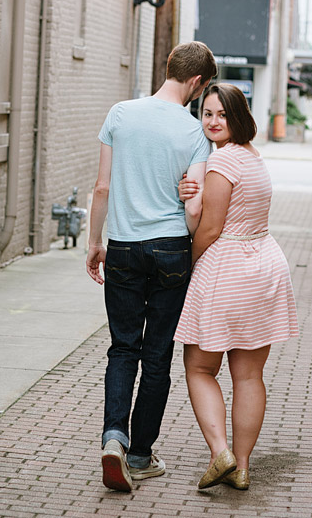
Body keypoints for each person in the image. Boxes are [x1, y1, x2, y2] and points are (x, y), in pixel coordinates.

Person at [86, 41, 218, 492]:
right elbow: (194, 210)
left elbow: (102, 188)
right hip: (170, 250)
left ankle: (113, 439)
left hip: (121, 246)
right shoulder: (194, 133)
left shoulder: (120, 113)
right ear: (198, 82)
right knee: (156, 356)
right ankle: (140, 456)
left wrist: (93, 242)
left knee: (122, 348)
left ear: (169, 68)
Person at [173, 84, 298, 490]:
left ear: (237, 116)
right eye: (206, 113)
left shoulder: (222, 161)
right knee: (248, 376)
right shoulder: (252, 157)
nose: (212, 122)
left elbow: (210, 228)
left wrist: (187, 265)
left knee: (199, 367)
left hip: (227, 269)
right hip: (264, 266)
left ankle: (220, 453)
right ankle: (242, 467)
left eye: (221, 114)